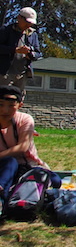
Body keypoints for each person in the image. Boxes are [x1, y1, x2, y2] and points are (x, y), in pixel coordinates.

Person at [0, 85, 50, 215]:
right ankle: (2, 201)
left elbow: (23, 146)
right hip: (5, 165)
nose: (5, 110)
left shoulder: (24, 120)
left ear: (19, 105)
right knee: (10, 162)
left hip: (28, 165)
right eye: (1, 104)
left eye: (11, 105)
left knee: (54, 181)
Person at [0, 7, 42, 96]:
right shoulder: (6, 30)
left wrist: (30, 54)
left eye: (31, 23)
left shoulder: (32, 34)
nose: (28, 25)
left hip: (22, 74)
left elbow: (38, 53)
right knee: (3, 98)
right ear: (19, 18)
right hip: (5, 74)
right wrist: (15, 50)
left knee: (18, 99)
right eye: (27, 22)